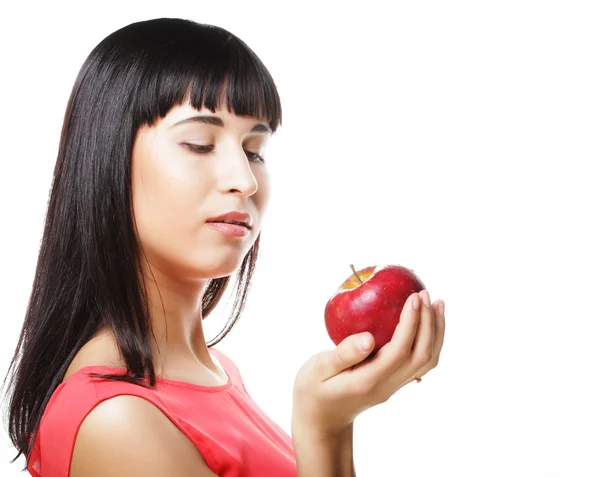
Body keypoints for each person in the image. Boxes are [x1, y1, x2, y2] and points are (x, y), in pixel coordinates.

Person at [1, 17, 446, 477]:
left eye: (254, 150)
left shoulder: (215, 371)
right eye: (199, 144)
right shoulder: (117, 420)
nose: (245, 180)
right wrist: (323, 429)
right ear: (107, 161)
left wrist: (336, 422)